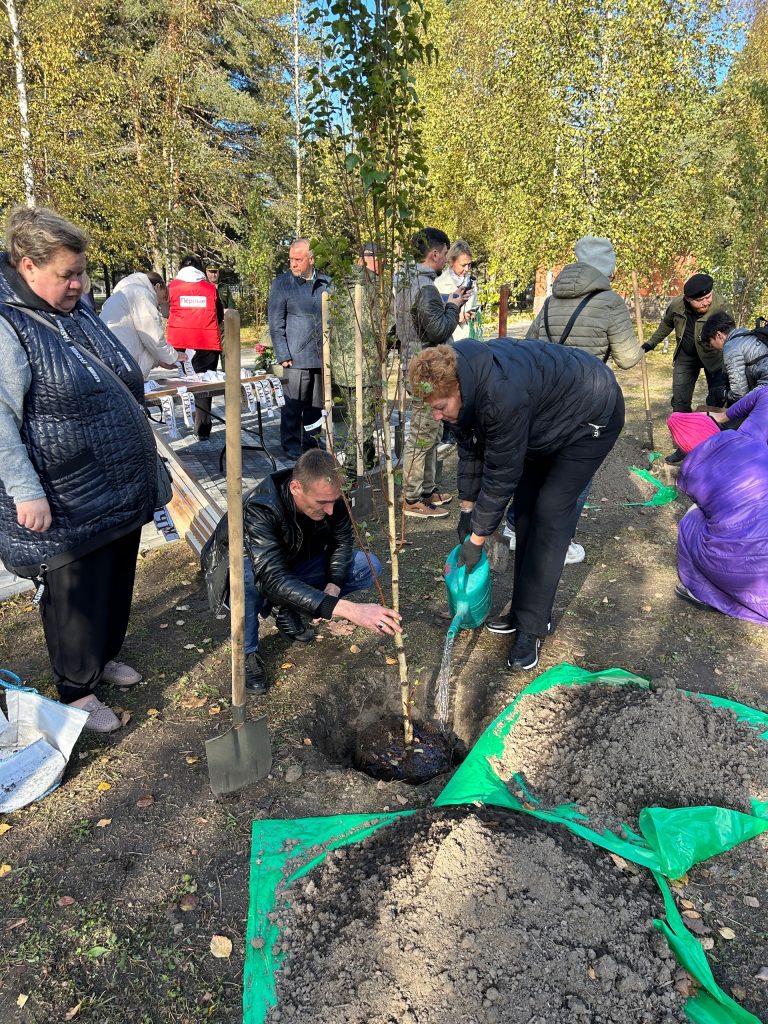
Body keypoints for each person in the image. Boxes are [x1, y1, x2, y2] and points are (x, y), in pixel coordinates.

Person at [0, 206, 159, 732]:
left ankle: (103, 656)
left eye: (82, 273)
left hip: (113, 482)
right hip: (63, 492)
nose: (79, 284)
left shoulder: (72, 309)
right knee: (75, 590)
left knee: (114, 575)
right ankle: (77, 688)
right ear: (27, 266)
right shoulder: (7, 323)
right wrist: (25, 490)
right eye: (67, 274)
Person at [408, 339, 624, 671]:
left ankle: (532, 626)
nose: (436, 416)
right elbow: (471, 450)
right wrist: (467, 511)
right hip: (542, 421)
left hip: (590, 416)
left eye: (440, 406)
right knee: (524, 510)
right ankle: (521, 610)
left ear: (458, 389)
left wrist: (477, 539)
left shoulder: (500, 396)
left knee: (549, 513)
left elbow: (500, 475)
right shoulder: (462, 386)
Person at [201, 450, 401, 692]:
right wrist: (348, 609)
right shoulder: (260, 508)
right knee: (246, 578)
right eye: (322, 503)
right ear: (295, 488)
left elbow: (342, 540)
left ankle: (286, 607)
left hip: (292, 561)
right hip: (246, 570)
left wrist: (335, 583)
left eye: (334, 501)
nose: (330, 510)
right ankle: (246, 652)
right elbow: (271, 578)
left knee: (366, 566)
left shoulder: (329, 495)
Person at [518, 235, 643, 564]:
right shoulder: (611, 302)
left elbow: (528, 344)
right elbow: (628, 358)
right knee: (575, 472)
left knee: (537, 463)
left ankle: (517, 528)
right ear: (607, 268)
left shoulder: (551, 300)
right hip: (586, 400)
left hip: (544, 398)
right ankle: (559, 543)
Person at [669, 388, 768, 624]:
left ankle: (699, 589)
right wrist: (724, 416)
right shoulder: (753, 443)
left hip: (744, 570)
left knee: (692, 518)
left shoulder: (691, 474)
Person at [394, 227, 470, 519]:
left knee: (431, 430)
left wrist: (448, 303)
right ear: (435, 253)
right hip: (426, 370)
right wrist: (452, 307)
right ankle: (412, 497)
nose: (446, 260)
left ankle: (426, 490)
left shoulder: (407, 281)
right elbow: (437, 330)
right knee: (422, 434)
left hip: (418, 364)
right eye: (445, 254)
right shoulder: (424, 286)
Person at [642, 272, 730, 464]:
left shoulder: (720, 304)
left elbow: (728, 334)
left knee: (716, 401)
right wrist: (651, 343)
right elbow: (666, 324)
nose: (706, 302)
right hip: (686, 357)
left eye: (708, 297)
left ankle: (711, 448)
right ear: (688, 299)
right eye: (700, 300)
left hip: (714, 358)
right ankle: (684, 446)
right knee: (680, 402)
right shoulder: (677, 305)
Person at [268, 239, 332, 460]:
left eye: (298, 259)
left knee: (316, 405)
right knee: (293, 404)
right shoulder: (282, 284)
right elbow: (276, 322)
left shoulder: (326, 283)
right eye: (291, 259)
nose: (293, 264)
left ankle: (312, 441)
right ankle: (291, 444)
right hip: (295, 357)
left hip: (321, 356)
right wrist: (283, 354)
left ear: (311, 259)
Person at [167, 254, 222, 440]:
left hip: (181, 342)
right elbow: (219, 315)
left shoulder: (172, 287)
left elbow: (166, 311)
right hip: (207, 342)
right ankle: (203, 428)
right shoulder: (210, 288)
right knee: (205, 385)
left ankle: (188, 420)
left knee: (186, 383)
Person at [100, 271, 178, 379]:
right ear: (157, 287)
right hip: (125, 360)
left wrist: (159, 360)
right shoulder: (141, 294)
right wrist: (173, 357)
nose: (161, 303)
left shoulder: (125, 293)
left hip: (110, 354)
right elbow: (152, 335)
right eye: (164, 297)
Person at [700, 311, 768, 405]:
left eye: (710, 342)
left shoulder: (731, 347)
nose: (712, 347)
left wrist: (725, 395)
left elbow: (739, 393)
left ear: (719, 335)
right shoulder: (748, 334)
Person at [435, 240, 480, 341]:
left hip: (469, 338)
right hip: (450, 340)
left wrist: (473, 313)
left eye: (469, 264)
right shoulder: (438, 283)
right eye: (463, 265)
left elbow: (475, 305)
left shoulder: (471, 281)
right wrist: (457, 316)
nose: (467, 269)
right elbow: (435, 317)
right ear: (451, 262)